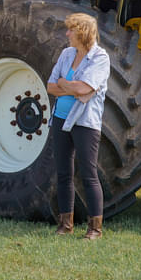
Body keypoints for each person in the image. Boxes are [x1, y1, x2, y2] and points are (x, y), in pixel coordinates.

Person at [46, 12, 110, 240]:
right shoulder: (66, 54)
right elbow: (50, 86)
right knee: (63, 172)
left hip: (85, 122)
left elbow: (86, 89)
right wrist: (70, 86)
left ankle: (95, 229)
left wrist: (67, 84)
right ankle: (66, 224)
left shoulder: (100, 58)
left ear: (82, 32)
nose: (67, 33)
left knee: (88, 173)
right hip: (60, 119)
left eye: (71, 29)